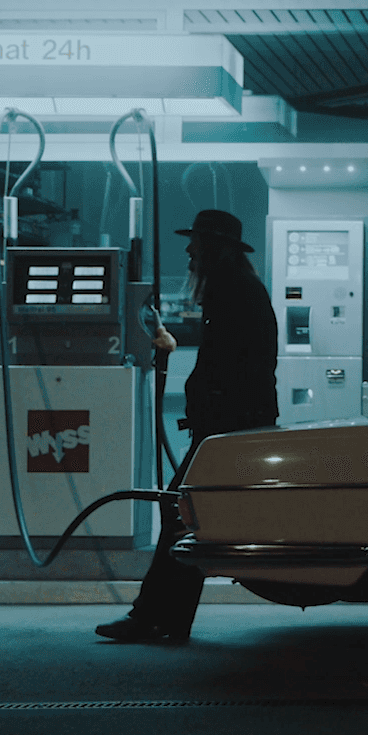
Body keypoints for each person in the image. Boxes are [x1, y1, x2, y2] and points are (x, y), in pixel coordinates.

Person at [97, 209, 278, 643]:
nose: (189, 249)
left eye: (196, 242)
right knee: (183, 514)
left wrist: (209, 414)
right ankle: (167, 618)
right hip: (230, 426)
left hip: (227, 430)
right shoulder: (236, 289)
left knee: (181, 513)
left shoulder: (232, 292)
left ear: (215, 247)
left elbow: (230, 367)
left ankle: (154, 617)